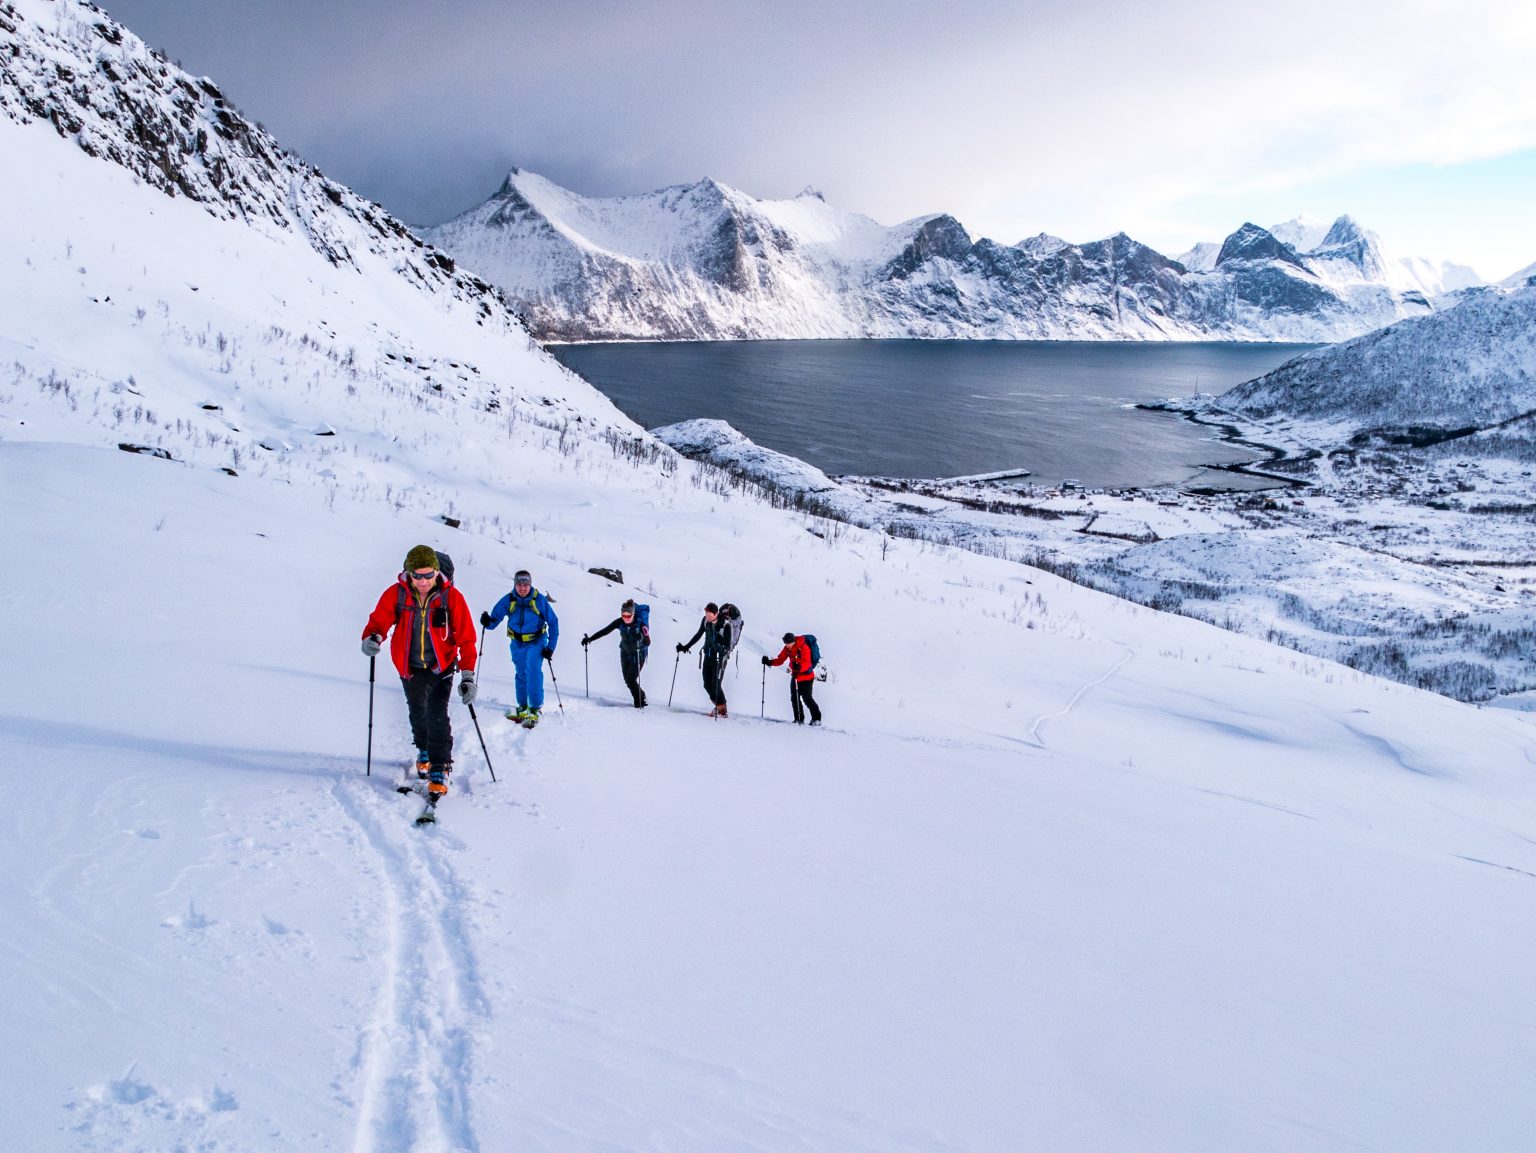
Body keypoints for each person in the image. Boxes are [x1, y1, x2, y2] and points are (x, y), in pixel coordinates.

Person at [360, 545, 478, 802]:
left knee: (437, 715)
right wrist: (372, 637)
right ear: (408, 573)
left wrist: (468, 676)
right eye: (418, 576)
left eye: (428, 575)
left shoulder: (452, 598)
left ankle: (440, 766)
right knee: (417, 711)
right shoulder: (397, 594)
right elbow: (379, 621)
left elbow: (467, 639)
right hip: (409, 666)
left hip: (441, 666)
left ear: (437, 572)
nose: (423, 582)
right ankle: (423, 749)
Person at [481, 569, 559, 727]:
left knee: (533, 671)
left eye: (526, 584)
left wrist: (550, 647)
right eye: (519, 584)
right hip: (517, 642)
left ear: (530, 585)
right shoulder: (508, 600)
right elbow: (493, 621)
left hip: (537, 640)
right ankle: (523, 707)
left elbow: (553, 622)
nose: (523, 588)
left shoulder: (539, 600)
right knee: (521, 672)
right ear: (515, 585)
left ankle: (535, 709)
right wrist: (486, 621)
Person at [582, 599, 650, 708]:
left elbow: (648, 641)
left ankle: (639, 703)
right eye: (624, 615)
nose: (626, 618)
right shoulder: (620, 622)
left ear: (633, 614)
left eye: (628, 616)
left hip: (639, 653)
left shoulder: (640, 624)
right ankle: (641, 695)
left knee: (631, 679)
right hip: (625, 652)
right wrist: (590, 639)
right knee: (627, 679)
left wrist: (641, 638)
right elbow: (605, 631)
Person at [677, 602, 733, 717]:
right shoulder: (705, 621)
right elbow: (698, 634)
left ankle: (722, 709)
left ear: (716, 614)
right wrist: (686, 647)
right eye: (706, 614)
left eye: (710, 616)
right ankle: (718, 705)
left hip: (718, 658)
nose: (707, 617)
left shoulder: (725, 625)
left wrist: (721, 648)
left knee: (715, 684)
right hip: (707, 655)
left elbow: (728, 646)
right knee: (706, 684)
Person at [764, 632, 822, 725]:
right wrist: (769, 662)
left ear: (793, 641)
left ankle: (816, 719)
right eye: (785, 644)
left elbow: (807, 663)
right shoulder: (787, 649)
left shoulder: (803, 647)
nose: (787, 646)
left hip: (807, 677)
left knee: (807, 698)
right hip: (795, 676)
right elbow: (780, 659)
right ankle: (798, 719)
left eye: (788, 644)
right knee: (794, 698)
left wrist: (799, 667)